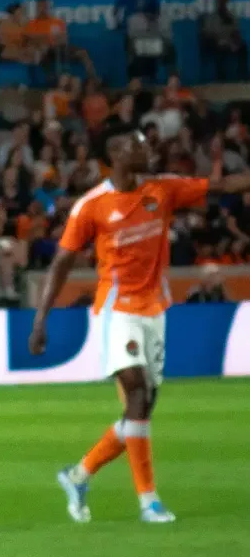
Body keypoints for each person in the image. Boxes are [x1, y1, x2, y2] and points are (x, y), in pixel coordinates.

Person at [31, 131, 250, 524]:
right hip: (117, 309)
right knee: (135, 389)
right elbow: (61, 263)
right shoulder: (92, 206)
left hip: (154, 309)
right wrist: (40, 320)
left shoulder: (162, 189)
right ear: (114, 154)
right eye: (137, 146)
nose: (147, 150)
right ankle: (149, 501)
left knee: (142, 409)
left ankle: (79, 474)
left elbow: (221, 185)